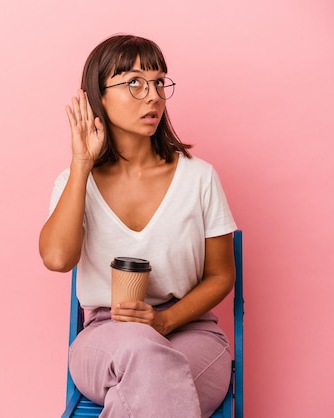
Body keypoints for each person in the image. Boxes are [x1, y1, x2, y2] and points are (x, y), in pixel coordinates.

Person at [39, 34, 237, 418]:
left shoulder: (199, 178)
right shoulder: (74, 182)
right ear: (99, 95)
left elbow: (220, 275)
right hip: (106, 336)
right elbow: (58, 259)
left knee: (150, 383)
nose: (153, 95)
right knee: (144, 358)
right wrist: (81, 164)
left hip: (191, 332)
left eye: (160, 82)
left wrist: (164, 320)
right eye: (134, 82)